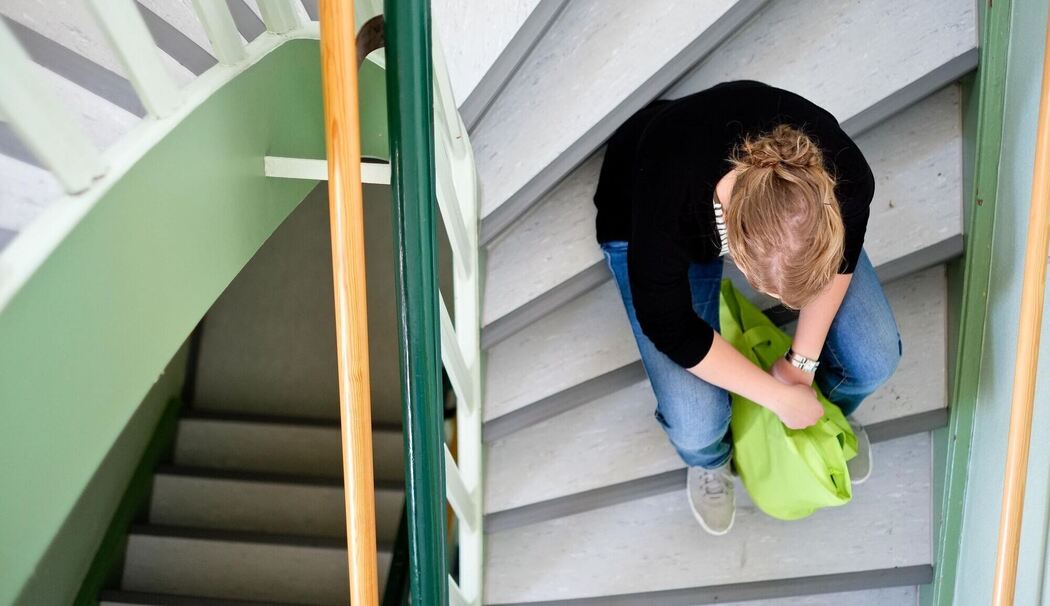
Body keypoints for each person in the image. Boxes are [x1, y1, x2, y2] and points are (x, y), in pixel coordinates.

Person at [593, 80, 902, 536]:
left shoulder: (847, 174)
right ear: (737, 254)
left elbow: (845, 255)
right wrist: (776, 396)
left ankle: (820, 410)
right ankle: (711, 460)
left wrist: (802, 364)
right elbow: (671, 328)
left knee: (876, 358)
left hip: (754, 213)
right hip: (638, 212)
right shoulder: (669, 195)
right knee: (697, 421)